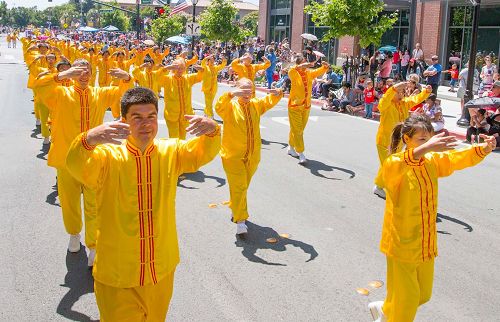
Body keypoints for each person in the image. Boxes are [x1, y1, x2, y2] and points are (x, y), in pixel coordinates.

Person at [66, 87, 221, 321]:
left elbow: (201, 153)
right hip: (118, 276)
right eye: (136, 118)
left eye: (150, 117)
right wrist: (88, 139)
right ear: (123, 121)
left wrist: (212, 131)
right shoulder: (107, 157)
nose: (145, 124)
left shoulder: (171, 151)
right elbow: (76, 165)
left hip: (160, 269)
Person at [368, 114, 496, 322]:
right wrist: (426, 148)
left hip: (426, 244)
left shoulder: (431, 161)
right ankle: (391, 315)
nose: (427, 144)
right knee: (408, 301)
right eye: (421, 139)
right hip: (401, 245)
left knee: (422, 295)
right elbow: (393, 168)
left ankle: (385, 310)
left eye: (429, 139)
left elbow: (456, 158)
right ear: (407, 139)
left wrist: (484, 149)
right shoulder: (394, 163)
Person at [37, 59, 133, 266]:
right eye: (79, 70)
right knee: (69, 202)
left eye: (87, 70)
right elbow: (40, 86)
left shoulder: (99, 93)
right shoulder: (60, 94)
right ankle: (73, 234)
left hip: (94, 159)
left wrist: (126, 78)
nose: (83, 74)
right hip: (66, 159)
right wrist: (62, 75)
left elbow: (123, 95)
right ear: (72, 72)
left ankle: (93, 246)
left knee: (94, 204)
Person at [215, 79, 283, 235]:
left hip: (253, 155)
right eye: (243, 90)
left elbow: (269, 100)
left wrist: (278, 93)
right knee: (240, 186)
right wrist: (231, 94)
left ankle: (235, 205)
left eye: (250, 90)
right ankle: (240, 221)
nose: (247, 93)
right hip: (232, 156)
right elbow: (218, 106)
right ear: (237, 90)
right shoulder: (230, 106)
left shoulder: (256, 104)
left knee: (242, 185)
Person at [373, 82, 432, 199]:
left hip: (399, 142)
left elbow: (415, 99)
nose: (400, 94)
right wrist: (394, 88)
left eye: (402, 92)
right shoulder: (386, 105)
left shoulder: (404, 104)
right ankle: (394, 189)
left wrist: (426, 92)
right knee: (391, 166)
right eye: (398, 92)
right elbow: (385, 98)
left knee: (388, 165)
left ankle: (379, 186)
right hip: (384, 142)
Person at [287, 55, 329, 164]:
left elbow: (318, 71)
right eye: (304, 62)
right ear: (299, 63)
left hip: (306, 106)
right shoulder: (293, 72)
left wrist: (325, 67)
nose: (306, 64)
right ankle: (300, 152)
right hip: (295, 106)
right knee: (298, 130)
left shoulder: (308, 73)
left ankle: (291, 147)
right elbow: (292, 69)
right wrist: (301, 65)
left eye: (306, 62)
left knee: (298, 129)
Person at [159, 58, 203, 139]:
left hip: (185, 114)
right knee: (174, 138)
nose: (180, 70)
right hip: (172, 114)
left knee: (182, 138)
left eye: (182, 68)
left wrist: (201, 70)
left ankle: (180, 151)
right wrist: (165, 68)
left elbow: (200, 77)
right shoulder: (167, 79)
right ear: (173, 68)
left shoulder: (188, 78)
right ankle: (175, 151)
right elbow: (157, 77)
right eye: (178, 68)